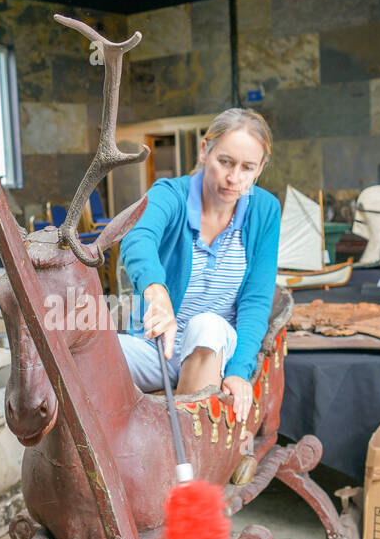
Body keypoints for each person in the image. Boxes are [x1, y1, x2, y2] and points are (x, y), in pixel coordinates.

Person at [119, 108, 280, 447]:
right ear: (205, 149)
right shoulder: (171, 195)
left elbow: (256, 302)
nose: (233, 177)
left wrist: (238, 371)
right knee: (87, 350)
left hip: (214, 350)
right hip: (157, 347)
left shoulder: (265, 210)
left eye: (247, 168)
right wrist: (156, 292)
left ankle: (181, 451)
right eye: (225, 161)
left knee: (206, 324)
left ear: (260, 168)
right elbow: (137, 237)